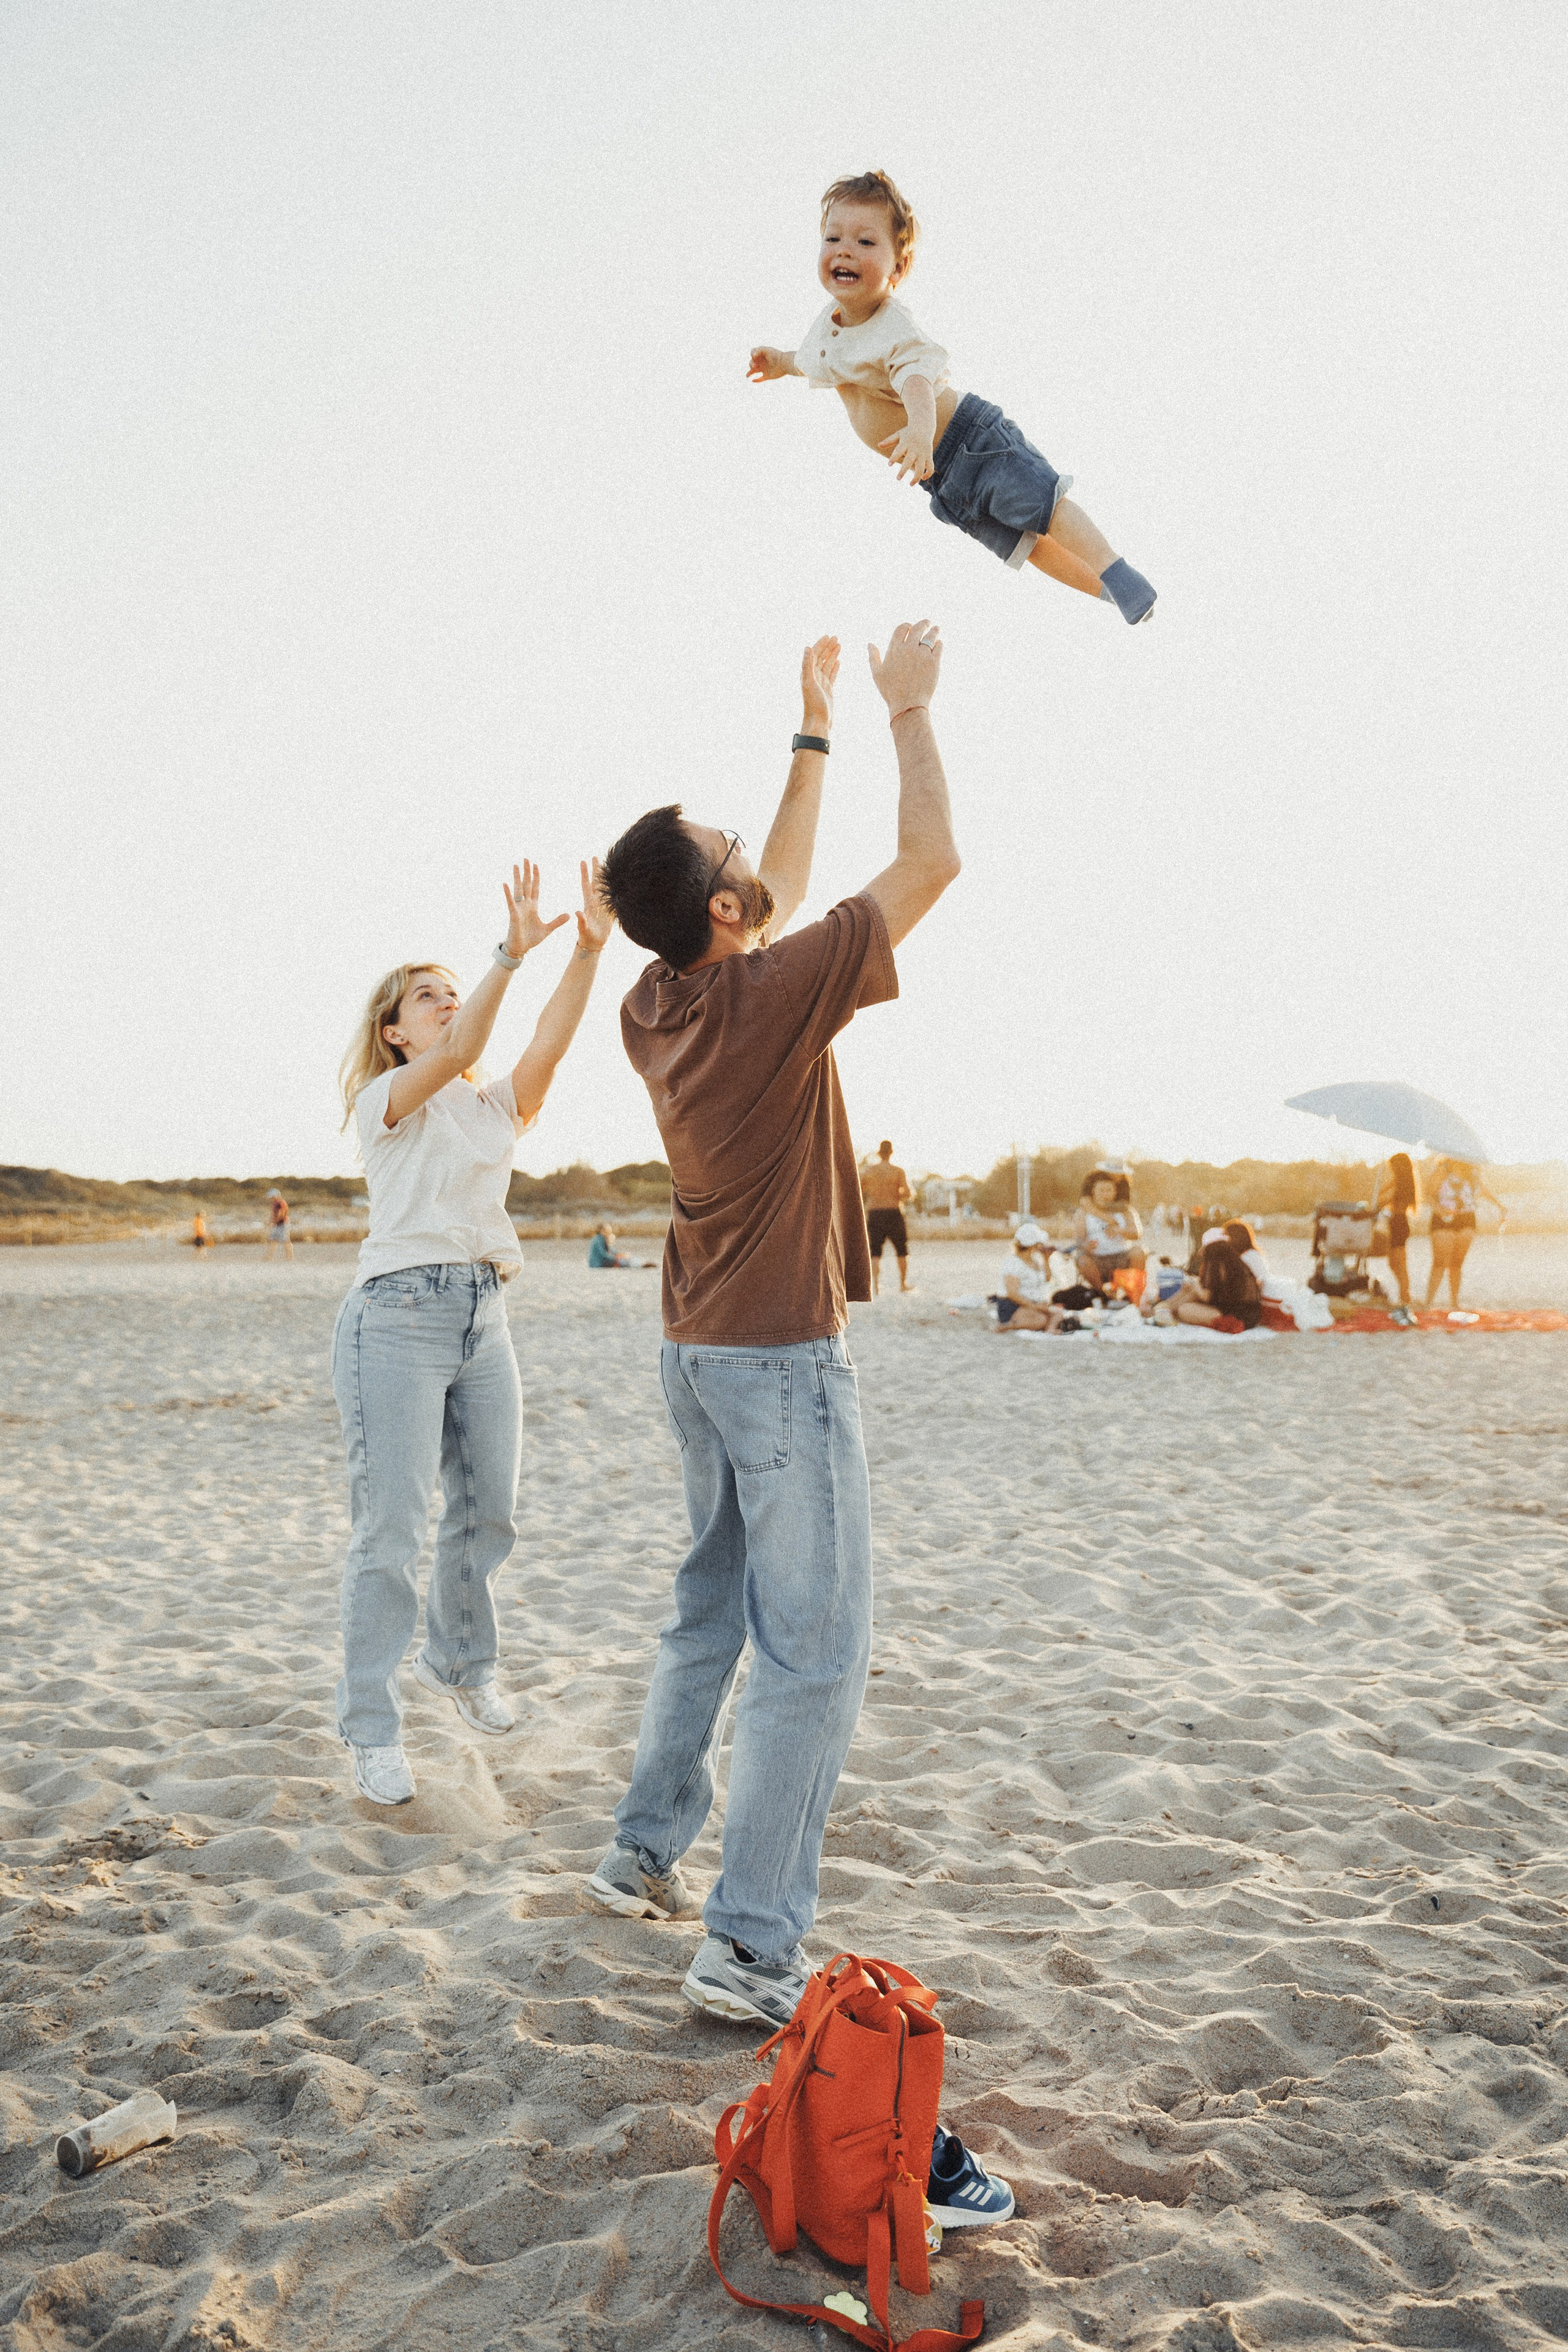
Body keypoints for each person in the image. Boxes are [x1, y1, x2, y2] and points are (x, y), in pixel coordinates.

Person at [587, 621, 960, 2030]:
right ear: (727, 909)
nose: (753, 858)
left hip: (691, 1346)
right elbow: (927, 864)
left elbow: (769, 888)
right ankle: (746, 1946)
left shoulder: (655, 996)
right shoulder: (757, 994)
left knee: (706, 1610)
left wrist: (805, 727)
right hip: (773, 1356)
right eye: (729, 845)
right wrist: (902, 714)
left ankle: (639, 1851)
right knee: (813, 1648)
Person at [331, 859, 611, 1807]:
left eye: (457, 994)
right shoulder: (388, 1102)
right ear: (394, 1030)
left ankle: (460, 1665)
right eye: (430, 997)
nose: (448, 1006)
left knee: (491, 1510)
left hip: (484, 1315)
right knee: (394, 1529)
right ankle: (372, 1726)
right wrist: (504, 955)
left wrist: (587, 948)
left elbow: (548, 1046)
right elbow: (459, 1051)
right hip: (397, 1319)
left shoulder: (491, 1110)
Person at [747, 171, 1155, 625]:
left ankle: (1117, 571)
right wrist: (782, 362)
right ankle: (1110, 594)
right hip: (943, 480)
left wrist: (920, 431)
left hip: (970, 442)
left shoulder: (892, 325)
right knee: (1029, 547)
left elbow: (916, 383)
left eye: (866, 242)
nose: (845, 250)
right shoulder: (830, 328)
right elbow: (814, 361)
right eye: (834, 237)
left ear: (898, 269)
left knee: (1045, 509)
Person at [1423, 1158, 1505, 1311]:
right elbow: (1428, 1195)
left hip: (1467, 1218)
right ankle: (1429, 1303)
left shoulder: (1472, 1172)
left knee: (1457, 1263)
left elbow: (1484, 1191)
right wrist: (1440, 1210)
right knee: (1440, 1262)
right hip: (1443, 1219)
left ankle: (1454, 1303)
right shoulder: (1443, 1169)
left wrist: (1500, 1205)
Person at [1155, 1231, 1264, 1330]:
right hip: (1235, 1312)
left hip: (1235, 1316)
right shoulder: (1231, 1262)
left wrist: (1195, 1285)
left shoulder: (1219, 1265)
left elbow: (1208, 1297)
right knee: (1189, 1291)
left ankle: (1163, 1309)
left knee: (1184, 1310)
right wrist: (1194, 1286)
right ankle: (1162, 1308)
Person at [1073, 1169, 1145, 1295]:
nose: (1105, 1194)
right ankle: (1103, 1294)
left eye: (1109, 1190)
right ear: (1093, 1191)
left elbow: (1137, 1233)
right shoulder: (1083, 1212)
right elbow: (1079, 1239)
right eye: (1101, 1190)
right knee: (1082, 1259)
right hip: (1097, 1259)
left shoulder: (1125, 1210)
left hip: (1122, 1256)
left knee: (1139, 1252)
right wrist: (1086, 1245)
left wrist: (1120, 1230)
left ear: (1115, 1192)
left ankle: (1132, 1294)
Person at [861, 1139, 913, 1294]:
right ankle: (903, 1284)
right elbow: (908, 1193)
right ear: (891, 1153)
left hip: (875, 1212)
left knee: (875, 1251)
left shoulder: (870, 1171)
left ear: (879, 1153)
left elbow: (860, 1190)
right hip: (893, 1212)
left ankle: (876, 1287)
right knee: (901, 1249)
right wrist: (897, 1196)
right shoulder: (897, 1171)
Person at [992, 1221, 1064, 1333]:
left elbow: (1047, 1279)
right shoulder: (1013, 1262)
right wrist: (1036, 1307)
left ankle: (1050, 1329)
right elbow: (1012, 1294)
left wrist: (1046, 1259)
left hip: (1032, 1304)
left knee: (1058, 1315)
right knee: (1040, 1320)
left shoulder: (1034, 1261)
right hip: (1013, 1306)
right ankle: (1008, 1326)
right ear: (1033, 1245)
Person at [1371, 1153, 1417, 1307]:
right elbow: (1382, 1192)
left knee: (1400, 1263)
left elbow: (1391, 1201)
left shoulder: (1406, 1184)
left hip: (1400, 1224)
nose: (1391, 1170)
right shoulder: (1399, 1181)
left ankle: (1405, 1296)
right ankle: (1405, 1294)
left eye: (1393, 1168)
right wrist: (1379, 1191)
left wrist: (1379, 1202)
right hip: (1395, 1224)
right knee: (1393, 1262)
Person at [265, 1189, 293, 1261]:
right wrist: (270, 1222)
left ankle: (289, 1257)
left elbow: (281, 1214)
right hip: (277, 1225)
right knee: (273, 1240)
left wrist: (273, 1222)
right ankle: (269, 1257)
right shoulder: (274, 1204)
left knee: (286, 1241)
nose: (271, 1199)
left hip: (283, 1224)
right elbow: (273, 1214)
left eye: (272, 1197)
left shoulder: (281, 1203)